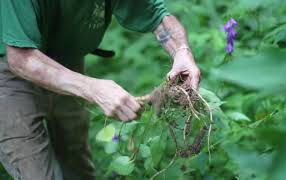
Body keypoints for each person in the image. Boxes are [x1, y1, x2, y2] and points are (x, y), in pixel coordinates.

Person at [0, 0, 201, 179]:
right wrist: (93, 88)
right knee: (35, 171)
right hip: (10, 67)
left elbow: (156, 16)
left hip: (67, 58)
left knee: (76, 162)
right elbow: (20, 58)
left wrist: (182, 52)